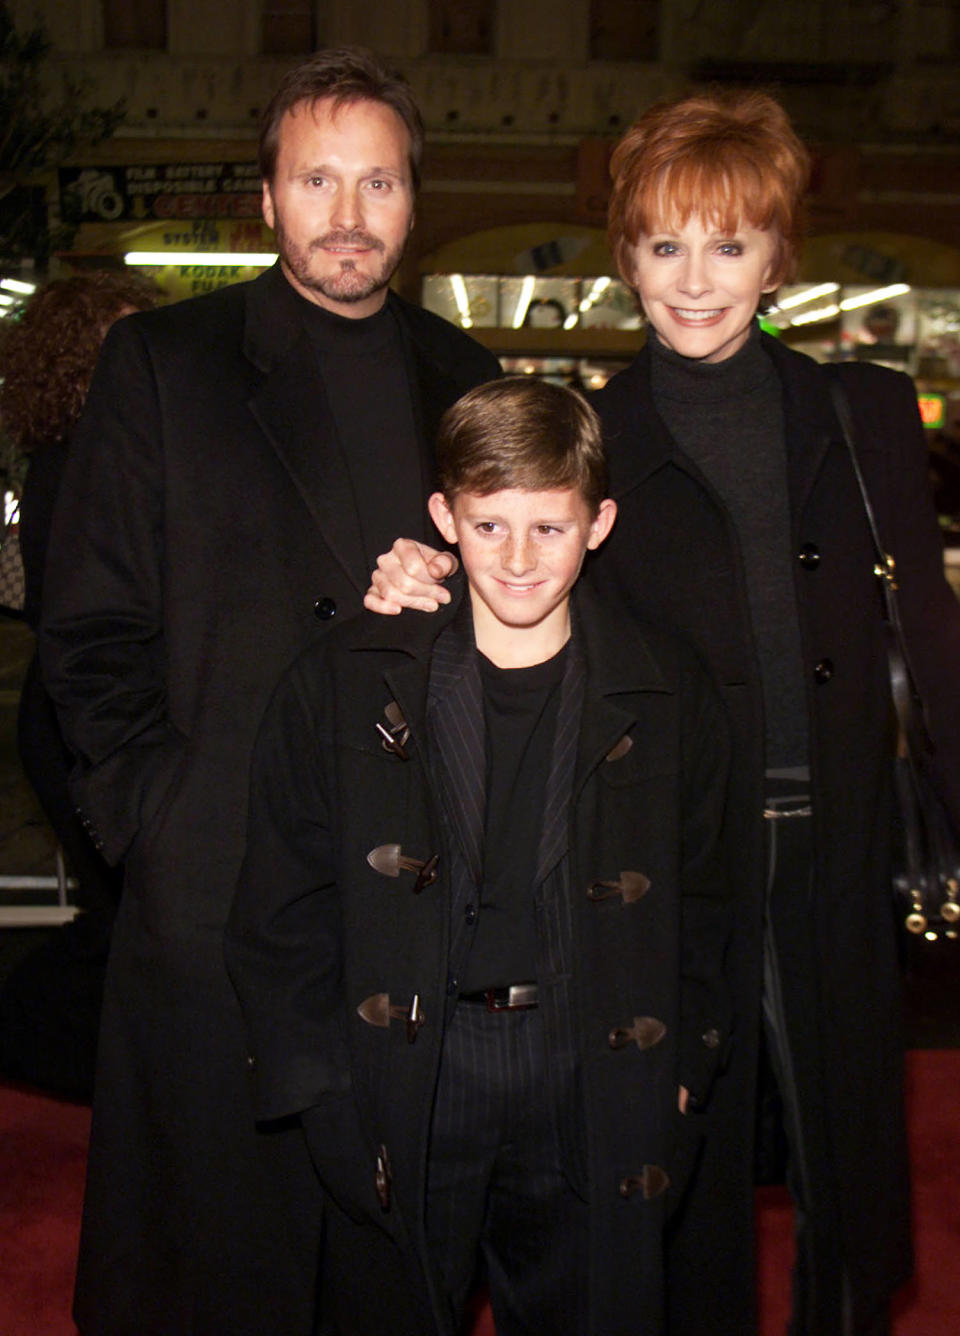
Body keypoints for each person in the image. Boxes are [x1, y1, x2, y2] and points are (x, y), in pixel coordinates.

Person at [364, 91, 960, 1336]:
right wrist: (413, 583)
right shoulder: (593, 436)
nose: (697, 280)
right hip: (670, 864)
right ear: (626, 256)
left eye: (730, 245)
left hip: (839, 845)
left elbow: (934, 643)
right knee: (676, 1168)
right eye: (666, 245)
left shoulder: (864, 414)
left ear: (777, 256)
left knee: (846, 1167)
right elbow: (506, 557)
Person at [38, 46, 500, 1336]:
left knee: (388, 1262)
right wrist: (158, 821)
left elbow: (538, 609)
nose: (348, 214)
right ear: (268, 199)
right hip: (218, 884)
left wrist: (461, 593)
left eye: (379, 183)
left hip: (414, 899)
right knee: (210, 1261)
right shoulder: (165, 366)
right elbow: (89, 630)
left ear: (416, 202)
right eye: (317, 180)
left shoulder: (468, 382)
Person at [225, 376, 732, 1336]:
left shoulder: (667, 690)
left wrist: (684, 1070)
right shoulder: (345, 682)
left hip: (589, 1064)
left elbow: (712, 892)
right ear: (442, 518)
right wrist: (323, 1088)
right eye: (490, 524)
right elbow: (280, 902)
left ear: (601, 523)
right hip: (413, 1068)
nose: (520, 558)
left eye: (551, 527)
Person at [0, 271, 157, 1098]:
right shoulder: (73, 465)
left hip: (70, 717)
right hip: (73, 724)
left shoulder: (90, 457)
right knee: (124, 921)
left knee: (121, 917)